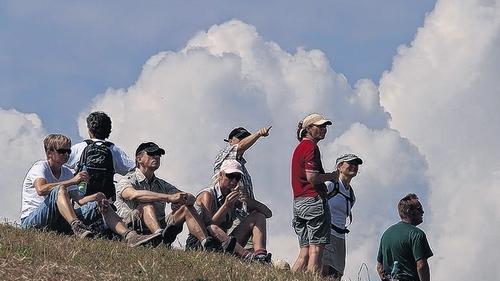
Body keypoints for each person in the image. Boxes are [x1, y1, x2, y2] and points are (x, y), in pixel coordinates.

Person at [20, 134, 160, 247]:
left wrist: (97, 197)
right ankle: (77, 226)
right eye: (62, 151)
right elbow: (41, 189)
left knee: (99, 202)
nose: (66, 155)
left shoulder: (67, 172)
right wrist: (72, 181)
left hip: (56, 223)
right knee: (60, 189)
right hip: (33, 221)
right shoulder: (41, 167)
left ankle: (129, 236)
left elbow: (79, 200)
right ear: (49, 152)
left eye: (68, 151)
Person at [114, 142, 216, 250]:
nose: (157, 157)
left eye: (158, 155)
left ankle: (206, 243)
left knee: (186, 208)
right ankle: (159, 238)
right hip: (131, 227)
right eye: (151, 154)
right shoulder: (127, 179)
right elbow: (133, 195)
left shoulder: (161, 184)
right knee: (147, 204)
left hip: (160, 223)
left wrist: (182, 200)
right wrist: (169, 198)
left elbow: (190, 198)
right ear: (139, 159)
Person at [188, 159, 273, 262]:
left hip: (224, 243)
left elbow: (268, 213)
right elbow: (207, 226)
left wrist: (248, 200)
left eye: (237, 178)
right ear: (221, 175)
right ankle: (249, 257)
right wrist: (226, 206)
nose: (233, 181)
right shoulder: (208, 195)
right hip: (202, 243)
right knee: (213, 227)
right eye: (230, 176)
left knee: (258, 216)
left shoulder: (234, 198)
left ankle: (261, 256)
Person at [291, 113, 339, 275]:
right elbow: (312, 178)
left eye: (325, 126)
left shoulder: (299, 148)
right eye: (320, 126)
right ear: (308, 129)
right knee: (316, 250)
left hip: (298, 202)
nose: (324, 129)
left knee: (304, 252)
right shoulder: (311, 147)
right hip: (313, 201)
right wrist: (331, 177)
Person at [213, 125, 271, 249]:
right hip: (232, 212)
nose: (243, 140)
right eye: (240, 138)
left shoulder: (242, 166)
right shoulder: (225, 153)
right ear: (230, 141)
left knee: (249, 252)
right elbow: (239, 147)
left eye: (246, 137)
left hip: (244, 213)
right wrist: (258, 134)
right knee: (235, 250)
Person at [67, 111, 135, 200]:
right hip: (105, 201)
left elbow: (61, 167)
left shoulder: (79, 148)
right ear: (108, 130)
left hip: (82, 199)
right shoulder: (114, 150)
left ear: (89, 130)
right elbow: (132, 170)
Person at [322, 154, 363, 280]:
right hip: (326, 232)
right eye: (350, 163)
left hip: (340, 236)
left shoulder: (351, 194)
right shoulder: (330, 185)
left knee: (337, 273)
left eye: (356, 164)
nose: (354, 166)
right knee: (324, 268)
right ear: (339, 166)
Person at [377, 194, 433, 281]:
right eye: (419, 209)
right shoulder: (417, 234)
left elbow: (379, 267)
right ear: (409, 211)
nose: (422, 212)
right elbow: (421, 266)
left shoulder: (386, 234)